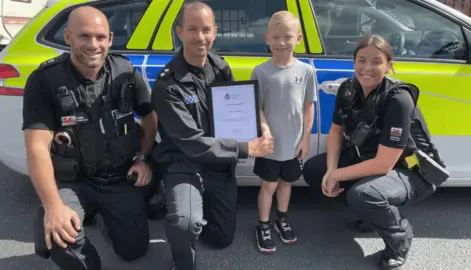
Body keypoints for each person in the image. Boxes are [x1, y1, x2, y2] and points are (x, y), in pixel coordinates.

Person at [23, 6, 158, 270]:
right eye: (84, 36)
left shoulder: (126, 73)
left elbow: (150, 120)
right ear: (68, 37)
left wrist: (143, 159)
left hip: (118, 178)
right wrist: (52, 206)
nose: (93, 44)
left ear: (110, 38)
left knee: (134, 251)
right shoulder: (45, 80)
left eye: (100, 37)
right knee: (59, 235)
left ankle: (101, 216)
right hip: (74, 182)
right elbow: (37, 148)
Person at [302, 35, 447, 270]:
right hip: (370, 161)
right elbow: (337, 131)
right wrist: (330, 170)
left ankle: (400, 238)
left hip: (413, 172)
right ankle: (371, 214)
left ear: (388, 66)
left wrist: (337, 176)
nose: (367, 68)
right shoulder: (349, 88)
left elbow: (383, 165)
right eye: (361, 60)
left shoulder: (398, 99)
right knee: (315, 170)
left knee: (364, 194)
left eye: (376, 62)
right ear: (354, 62)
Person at [150, 2, 274, 270]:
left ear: (215, 32)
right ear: (179, 32)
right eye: (192, 29)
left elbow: (235, 110)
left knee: (221, 238)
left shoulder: (220, 67)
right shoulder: (166, 84)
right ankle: (181, 246)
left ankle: (186, 204)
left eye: (206, 29)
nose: (200, 37)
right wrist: (246, 148)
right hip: (184, 164)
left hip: (217, 167)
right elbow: (191, 143)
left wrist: (259, 124)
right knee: (186, 223)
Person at [251, 11, 316, 254]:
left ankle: (282, 218)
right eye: (275, 37)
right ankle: (264, 224)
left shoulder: (306, 71)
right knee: (268, 185)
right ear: (267, 39)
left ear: (298, 38)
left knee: (286, 184)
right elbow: (256, 107)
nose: (281, 42)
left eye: (287, 37)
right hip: (269, 145)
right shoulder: (260, 72)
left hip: (293, 144)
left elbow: (308, 106)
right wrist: (265, 129)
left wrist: (306, 138)